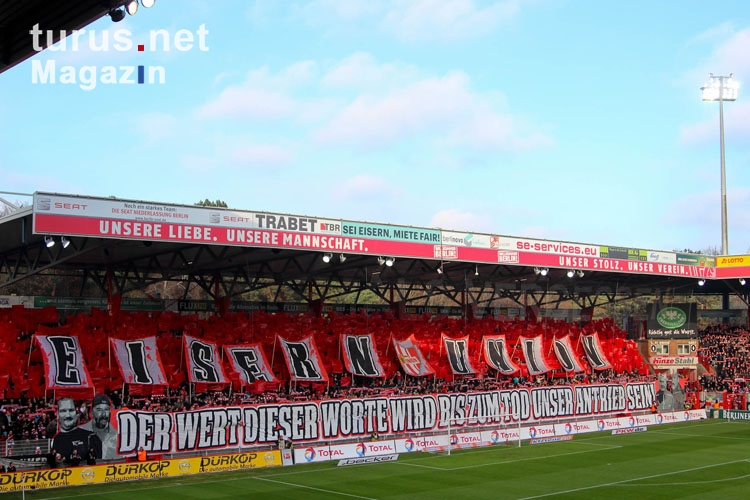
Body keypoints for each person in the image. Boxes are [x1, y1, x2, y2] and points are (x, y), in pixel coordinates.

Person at [78, 394, 117, 460]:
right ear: (91, 413)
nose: (104, 414)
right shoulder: (81, 432)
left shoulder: (117, 435)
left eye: (106, 409)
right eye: (99, 410)